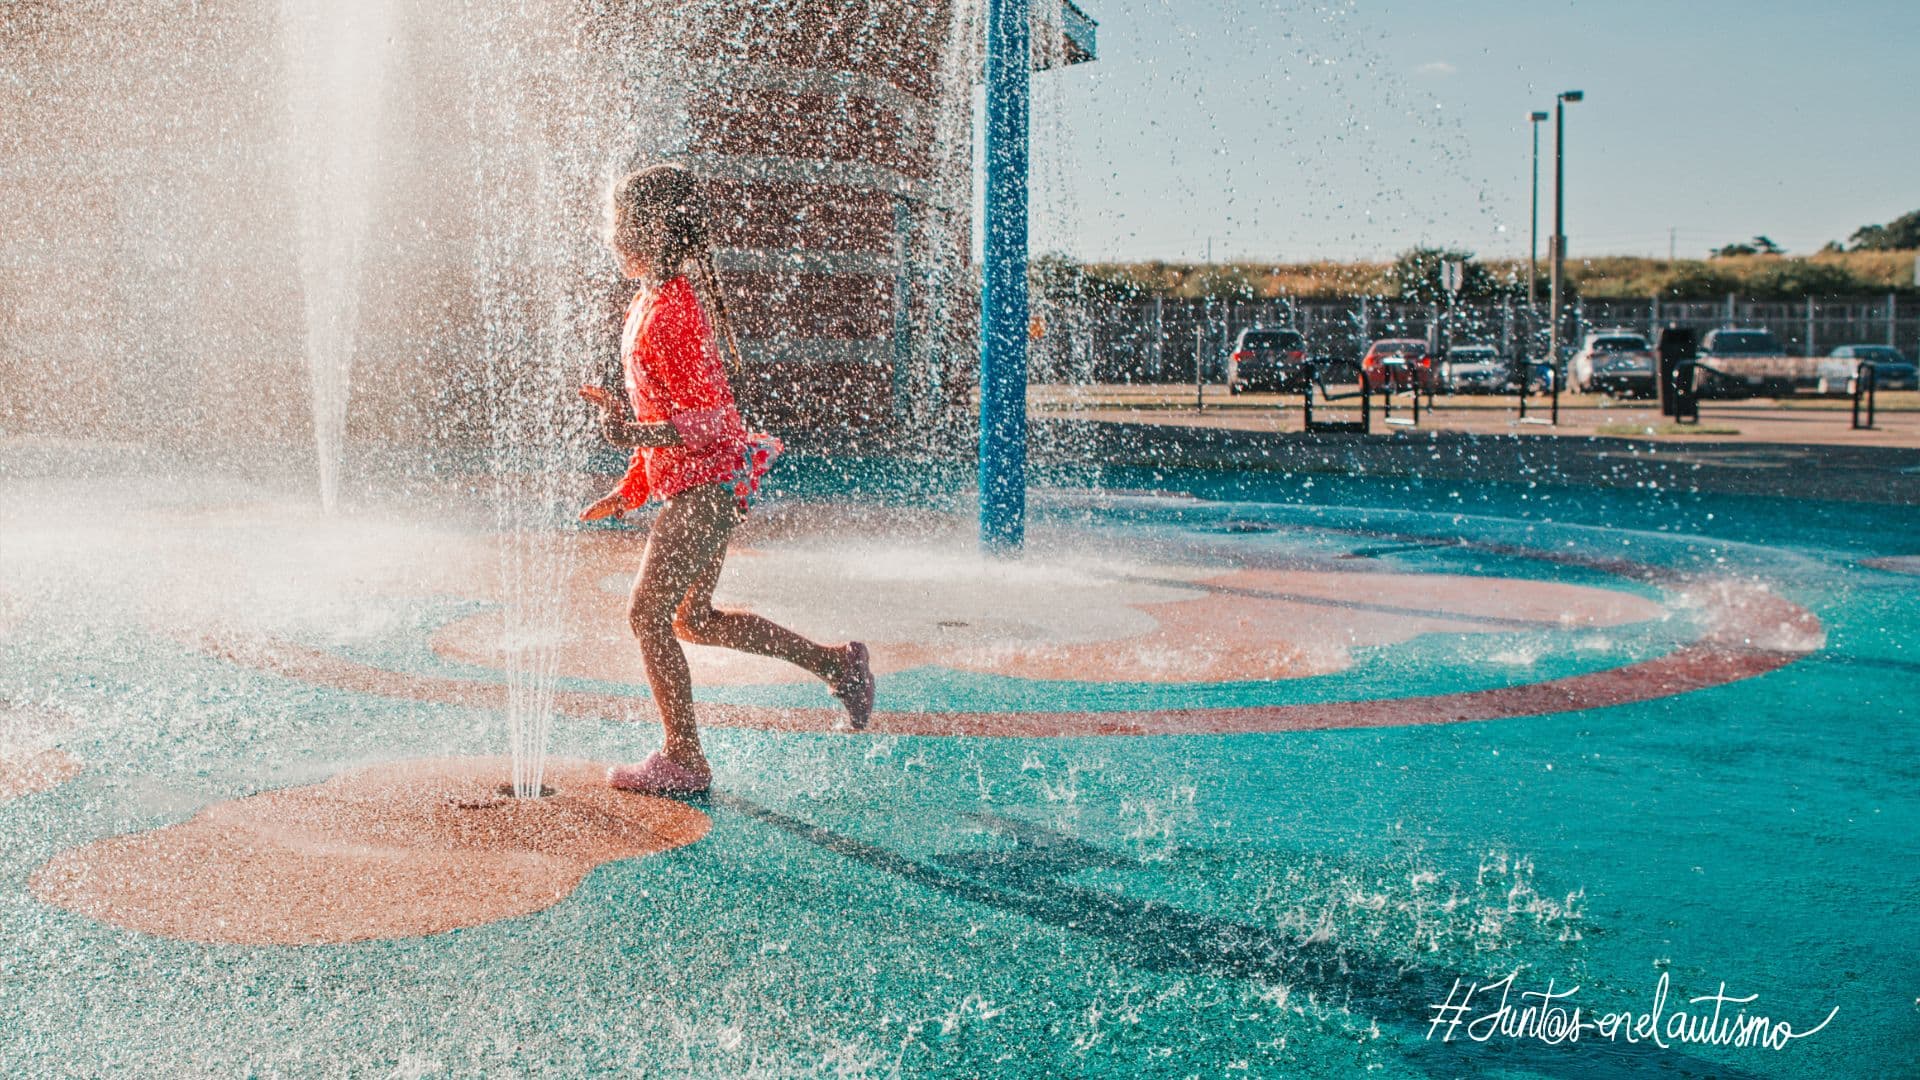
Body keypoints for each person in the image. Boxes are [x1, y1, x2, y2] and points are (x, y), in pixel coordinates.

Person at [581, 163, 873, 795]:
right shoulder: (650, 302)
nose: (610, 236)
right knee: (696, 620)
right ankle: (838, 665)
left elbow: (714, 419)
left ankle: (684, 758)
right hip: (703, 484)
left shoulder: (675, 309)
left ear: (652, 229)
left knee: (647, 615)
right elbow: (662, 407)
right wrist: (630, 485)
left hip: (706, 486)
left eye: (618, 223)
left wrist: (636, 438)